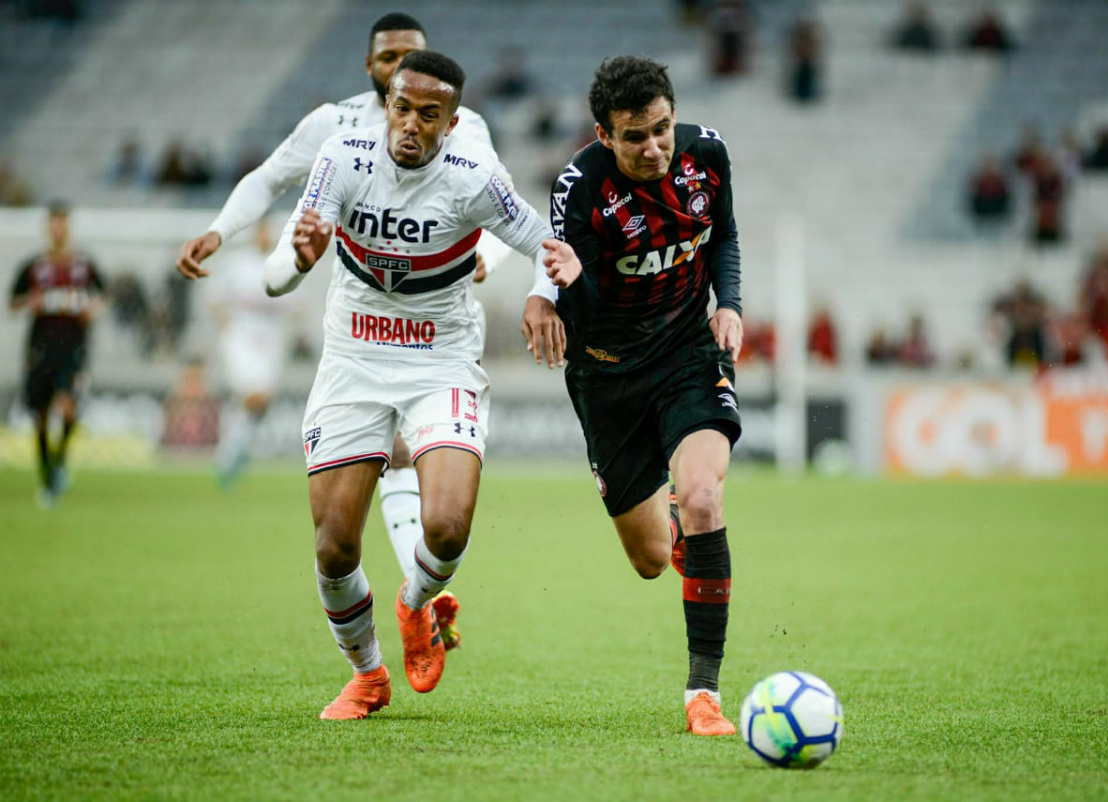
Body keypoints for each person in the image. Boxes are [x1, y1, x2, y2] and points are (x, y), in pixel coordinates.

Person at [260, 50, 579, 719]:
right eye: (401, 108)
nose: (410, 124)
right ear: (386, 105)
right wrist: (298, 260)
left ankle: (414, 606)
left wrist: (543, 296)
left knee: (448, 526)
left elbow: (547, 245)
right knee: (334, 546)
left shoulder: (474, 174)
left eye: (428, 115)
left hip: (440, 360)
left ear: (451, 121)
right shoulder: (343, 157)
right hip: (354, 358)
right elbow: (277, 276)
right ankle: (368, 676)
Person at [176, 12, 503, 651]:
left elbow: (500, 205)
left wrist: (486, 253)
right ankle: (399, 626)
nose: (399, 66)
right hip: (363, 334)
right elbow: (269, 177)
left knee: (417, 468)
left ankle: (417, 598)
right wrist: (221, 230)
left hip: (438, 331)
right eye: (388, 57)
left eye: (411, 55)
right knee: (345, 521)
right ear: (370, 66)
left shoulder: (462, 125)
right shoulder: (335, 127)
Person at [521, 56, 743, 737]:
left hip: (687, 355)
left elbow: (725, 236)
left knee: (703, 497)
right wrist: (572, 281)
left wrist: (729, 304)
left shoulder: (708, 155)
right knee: (650, 561)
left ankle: (703, 693)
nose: (653, 148)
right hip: (607, 374)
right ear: (604, 135)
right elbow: (583, 317)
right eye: (635, 137)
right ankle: (670, 522)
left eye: (662, 129)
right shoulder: (579, 188)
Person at [8, 201, 105, 506]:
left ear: (68, 227)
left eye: (62, 223)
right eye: (54, 224)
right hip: (40, 349)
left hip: (73, 348)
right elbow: (13, 302)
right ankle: (48, 472)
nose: (58, 229)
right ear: (48, 228)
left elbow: (102, 297)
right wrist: (31, 303)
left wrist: (92, 309)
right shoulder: (34, 266)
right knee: (40, 416)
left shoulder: (84, 265)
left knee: (68, 408)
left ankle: (59, 461)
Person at [208, 219, 299, 488]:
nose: (265, 236)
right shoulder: (238, 264)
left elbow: (297, 306)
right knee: (254, 396)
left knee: (261, 401)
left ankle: (235, 446)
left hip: (271, 345)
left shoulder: (284, 264)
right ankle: (228, 453)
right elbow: (215, 299)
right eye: (262, 231)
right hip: (242, 340)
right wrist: (228, 327)